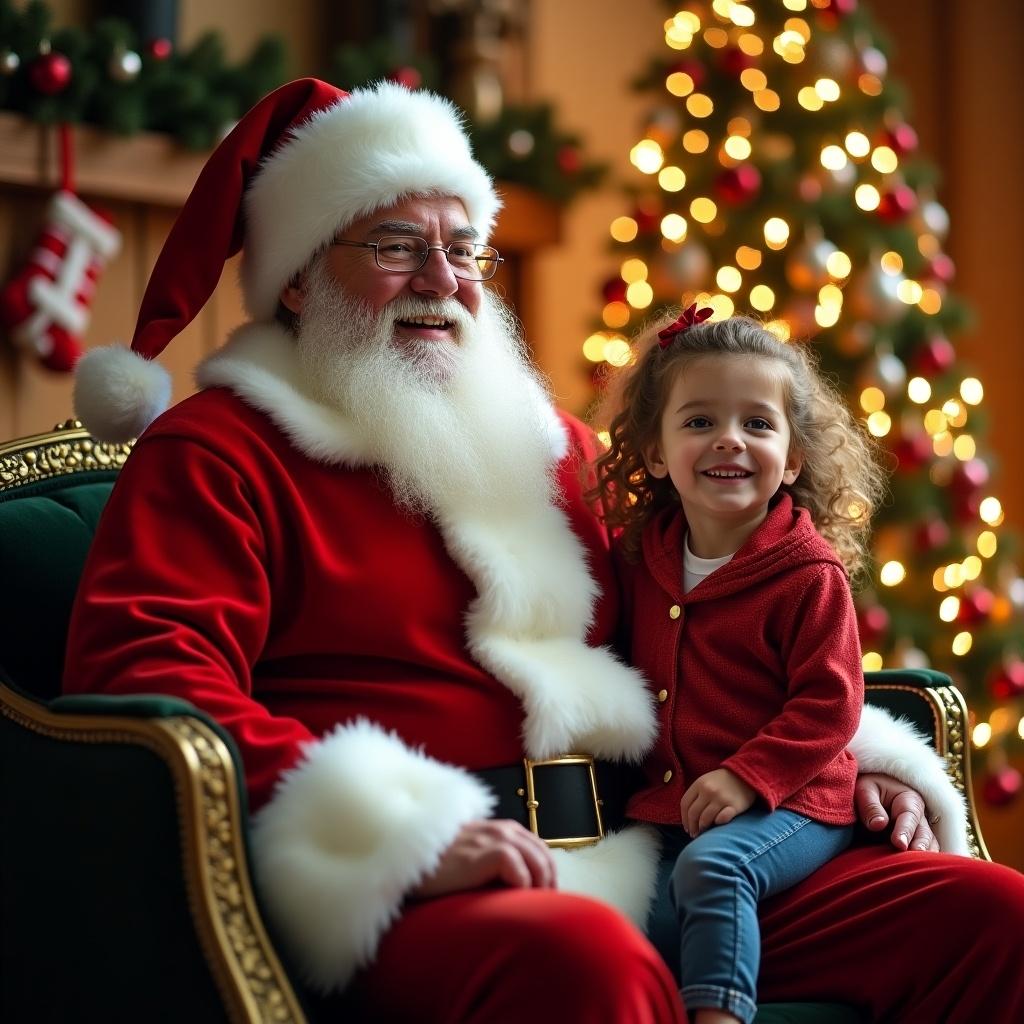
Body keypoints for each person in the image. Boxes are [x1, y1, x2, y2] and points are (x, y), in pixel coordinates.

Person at [63, 78, 1024, 1023]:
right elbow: (151, 681)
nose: (442, 282)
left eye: (463, 249)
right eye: (398, 247)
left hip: (650, 840)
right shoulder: (217, 451)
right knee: (585, 966)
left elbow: (707, 622)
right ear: (301, 278)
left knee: (991, 919)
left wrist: (839, 758)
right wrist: (405, 837)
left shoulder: (561, 448)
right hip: (408, 879)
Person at [590, 308, 888, 1023]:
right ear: (656, 451)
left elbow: (830, 705)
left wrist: (747, 777)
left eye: (757, 424)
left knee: (714, 868)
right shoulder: (644, 558)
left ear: (791, 459)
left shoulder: (806, 575)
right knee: (639, 921)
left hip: (795, 800)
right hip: (670, 806)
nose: (729, 438)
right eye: (699, 422)